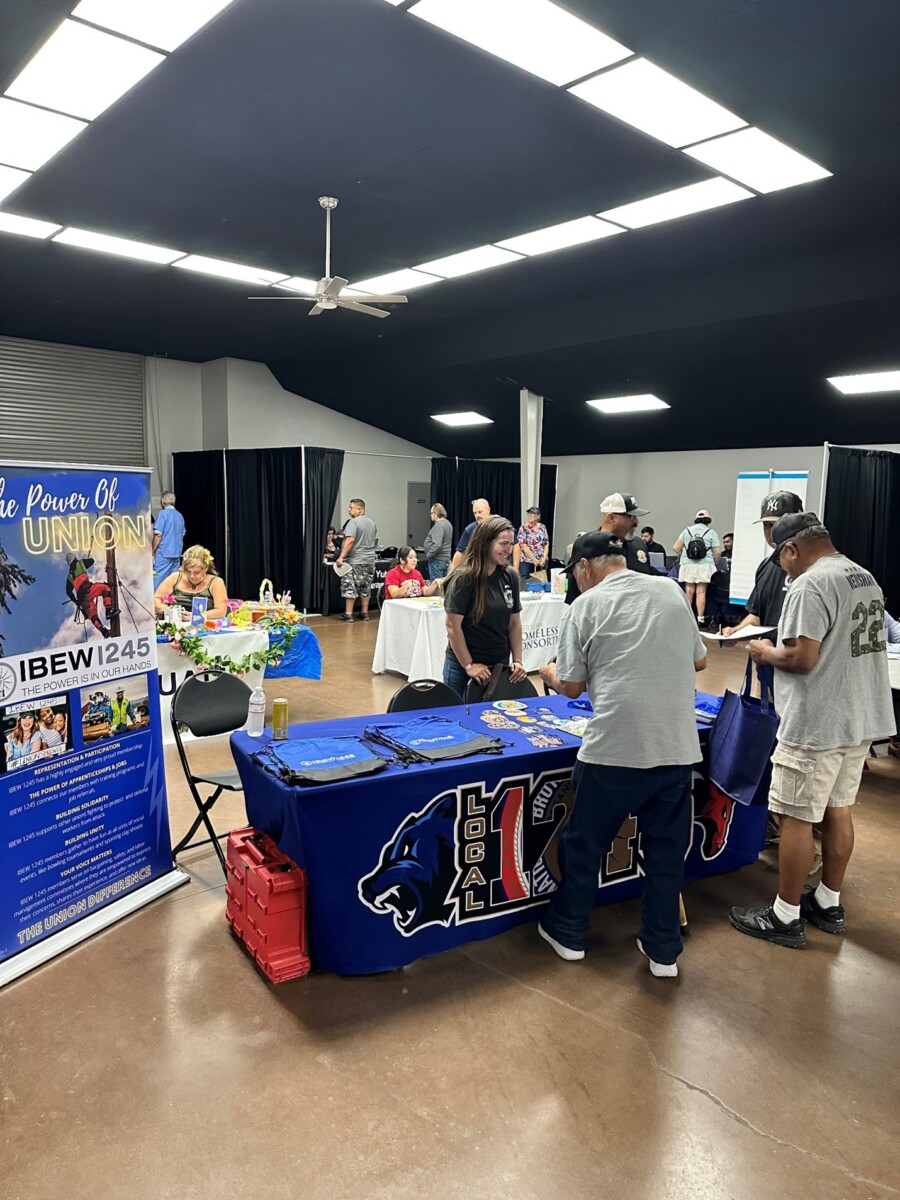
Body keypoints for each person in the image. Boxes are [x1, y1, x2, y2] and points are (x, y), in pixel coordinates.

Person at [537, 532, 707, 977]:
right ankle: (663, 950)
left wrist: (549, 672)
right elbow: (699, 661)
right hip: (674, 746)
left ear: (585, 567)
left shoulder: (585, 605)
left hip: (614, 748)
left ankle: (568, 931)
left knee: (584, 846)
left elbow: (571, 686)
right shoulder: (670, 590)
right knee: (666, 854)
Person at [730, 513, 895, 948]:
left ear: (791, 549)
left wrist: (765, 652)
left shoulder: (809, 584)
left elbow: (802, 658)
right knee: (838, 809)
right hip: (859, 717)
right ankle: (828, 901)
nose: (784, 567)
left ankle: (784, 916)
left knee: (796, 816)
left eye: (781, 558)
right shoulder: (862, 576)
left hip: (818, 721)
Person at [443, 516, 526, 697]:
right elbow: (452, 626)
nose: (508, 550)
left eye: (511, 544)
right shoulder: (463, 578)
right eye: (503, 544)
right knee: (460, 713)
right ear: (485, 542)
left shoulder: (510, 576)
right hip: (463, 667)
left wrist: (518, 660)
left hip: (498, 665)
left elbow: (514, 623)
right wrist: (469, 665)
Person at [565, 492, 653, 606]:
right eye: (630, 517)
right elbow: (574, 597)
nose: (636, 522)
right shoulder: (586, 546)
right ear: (611, 518)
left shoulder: (639, 545)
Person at [673, 510, 722, 628]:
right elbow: (717, 553)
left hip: (688, 565)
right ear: (708, 520)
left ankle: (687, 618)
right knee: (701, 592)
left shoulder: (686, 531)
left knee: (688, 591)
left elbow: (676, 547)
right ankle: (700, 619)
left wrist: (684, 556)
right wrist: (714, 563)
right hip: (705, 566)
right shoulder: (711, 532)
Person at [154, 545, 228, 619]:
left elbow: (221, 611)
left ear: (205, 568)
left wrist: (195, 616)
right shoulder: (175, 577)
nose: (192, 576)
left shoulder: (215, 582)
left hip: (205, 623)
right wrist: (171, 611)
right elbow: (156, 600)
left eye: (196, 572)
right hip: (177, 621)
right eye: (188, 571)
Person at [334, 498, 378, 622]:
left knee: (350, 585)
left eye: (351, 508)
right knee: (366, 586)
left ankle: (348, 614)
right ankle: (364, 613)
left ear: (360, 509)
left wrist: (341, 557)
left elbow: (350, 540)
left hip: (355, 560)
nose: (349, 510)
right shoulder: (372, 523)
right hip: (370, 560)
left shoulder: (353, 523)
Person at [65, 553, 119, 638]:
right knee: (105, 588)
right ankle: (108, 611)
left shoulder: (70, 576)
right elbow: (92, 561)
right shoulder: (80, 563)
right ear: (75, 558)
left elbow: (68, 591)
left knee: (92, 615)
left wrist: (76, 602)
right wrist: (84, 563)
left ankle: (103, 631)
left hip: (83, 600)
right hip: (89, 590)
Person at [449, 498, 491, 572]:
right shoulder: (470, 529)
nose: (477, 515)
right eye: (475, 513)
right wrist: (451, 574)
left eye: (480, 512)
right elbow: (459, 553)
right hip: (480, 570)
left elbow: (513, 545)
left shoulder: (499, 525)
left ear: (488, 510)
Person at [152, 491, 185, 583]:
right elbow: (182, 534)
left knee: (157, 580)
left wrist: (152, 550)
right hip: (177, 553)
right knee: (173, 581)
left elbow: (158, 535)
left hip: (164, 553)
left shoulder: (162, 514)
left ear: (163, 501)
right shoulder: (180, 515)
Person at [514, 506, 549, 579]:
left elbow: (546, 544)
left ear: (538, 516)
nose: (531, 515)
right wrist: (534, 559)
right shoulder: (524, 527)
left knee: (540, 581)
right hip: (527, 561)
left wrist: (544, 558)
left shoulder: (542, 527)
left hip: (540, 561)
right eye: (529, 513)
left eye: (533, 513)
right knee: (526, 581)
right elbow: (522, 545)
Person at [422, 504, 453, 580]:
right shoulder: (448, 524)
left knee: (436, 585)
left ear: (436, 513)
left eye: (431, 513)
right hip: (446, 560)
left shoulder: (439, 525)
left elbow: (437, 544)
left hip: (437, 561)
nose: (430, 515)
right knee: (444, 584)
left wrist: (429, 555)